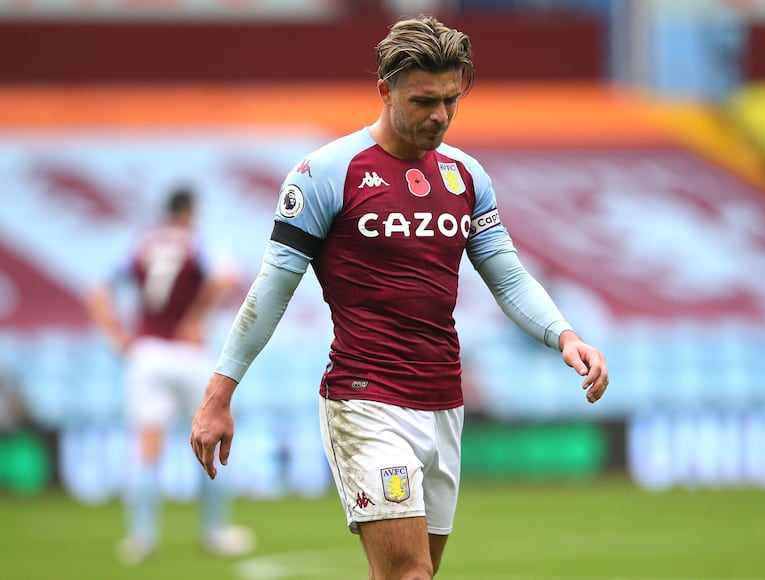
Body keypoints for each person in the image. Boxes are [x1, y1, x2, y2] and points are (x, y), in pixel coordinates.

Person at [190, 14, 609, 579]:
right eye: (422, 101)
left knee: (410, 576)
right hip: (365, 398)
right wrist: (219, 394)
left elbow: (507, 277)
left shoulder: (466, 176)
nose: (439, 115)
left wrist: (566, 335)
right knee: (409, 576)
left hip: (443, 400)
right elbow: (272, 289)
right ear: (385, 89)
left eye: (450, 101)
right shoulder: (326, 173)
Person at [86, 186, 255, 565]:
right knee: (208, 438)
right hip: (187, 353)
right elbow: (226, 277)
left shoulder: (142, 245)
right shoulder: (198, 242)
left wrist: (118, 339)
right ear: (191, 211)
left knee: (147, 447)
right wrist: (195, 319)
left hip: (145, 354)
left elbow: (97, 291)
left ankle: (141, 538)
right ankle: (215, 532)